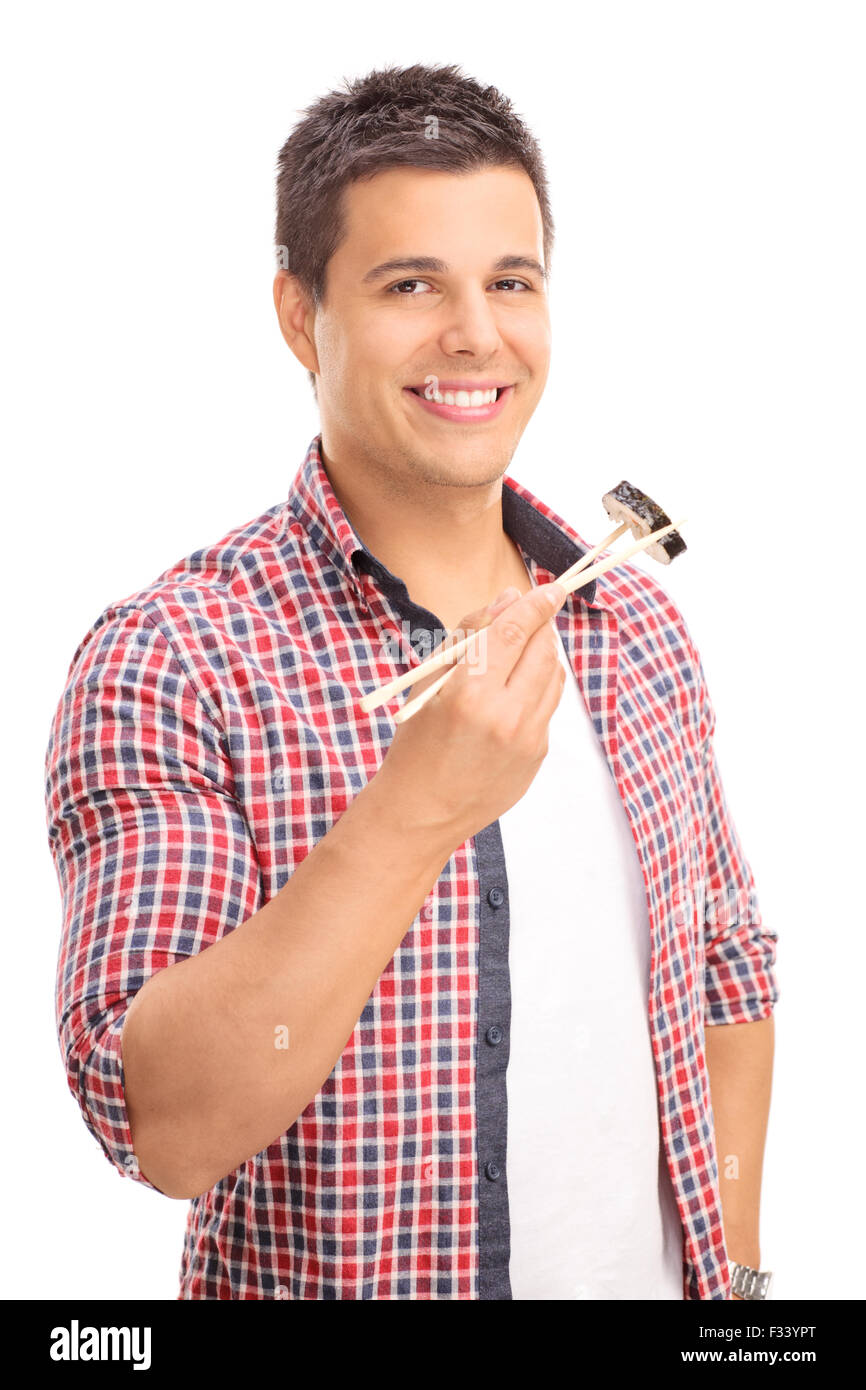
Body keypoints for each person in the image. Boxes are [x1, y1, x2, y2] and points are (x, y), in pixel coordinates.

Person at [44, 62, 778, 1301]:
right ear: (298, 315)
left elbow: (727, 976)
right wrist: (415, 810)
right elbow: (164, 1126)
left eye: (509, 282)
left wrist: (744, 1296)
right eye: (407, 285)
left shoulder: (636, 626)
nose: (474, 336)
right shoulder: (172, 655)